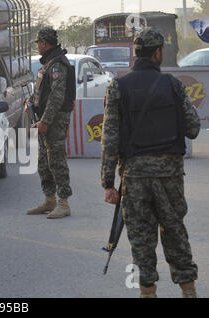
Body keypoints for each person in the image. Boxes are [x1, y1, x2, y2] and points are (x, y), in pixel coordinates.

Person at [101, 28, 201, 298]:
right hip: (170, 175)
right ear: (157, 53)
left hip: (134, 178)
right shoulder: (174, 85)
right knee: (175, 234)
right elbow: (193, 128)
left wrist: (108, 184)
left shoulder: (118, 86)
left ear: (137, 54)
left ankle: (148, 293)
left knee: (142, 240)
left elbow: (109, 138)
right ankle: (189, 292)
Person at [26, 27, 76, 219]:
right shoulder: (48, 63)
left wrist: (45, 120)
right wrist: (30, 101)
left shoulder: (57, 65)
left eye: (38, 42)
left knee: (56, 161)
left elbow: (57, 96)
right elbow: (43, 92)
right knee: (44, 162)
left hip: (54, 119)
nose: (37, 46)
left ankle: (63, 203)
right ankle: (49, 200)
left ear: (44, 43)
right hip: (44, 119)